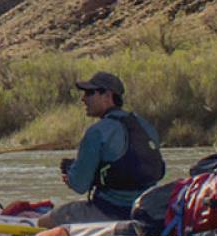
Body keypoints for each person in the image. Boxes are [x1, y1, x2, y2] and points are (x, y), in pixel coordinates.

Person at [38, 71, 165, 227]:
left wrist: (70, 172)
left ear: (107, 96)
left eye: (90, 93)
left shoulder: (97, 132)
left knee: (43, 222)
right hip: (147, 212)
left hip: (110, 212)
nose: (83, 98)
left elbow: (79, 185)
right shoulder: (145, 125)